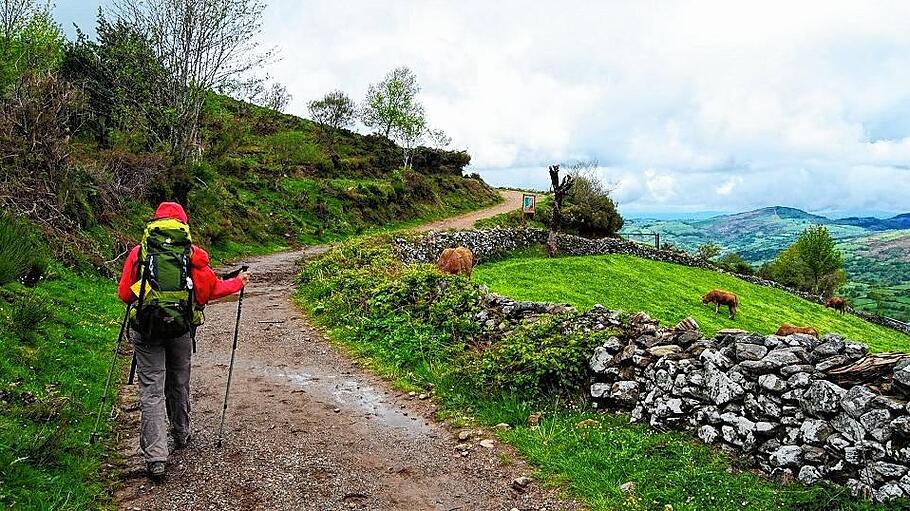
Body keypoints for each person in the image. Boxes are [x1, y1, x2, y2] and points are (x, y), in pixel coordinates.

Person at [117, 202, 250, 479]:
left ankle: (156, 457)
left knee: (151, 391)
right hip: (180, 329)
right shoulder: (192, 255)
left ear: (154, 224)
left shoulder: (140, 253)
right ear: (183, 226)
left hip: (147, 329)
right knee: (178, 382)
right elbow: (208, 292)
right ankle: (181, 433)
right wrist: (239, 282)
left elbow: (125, 295)